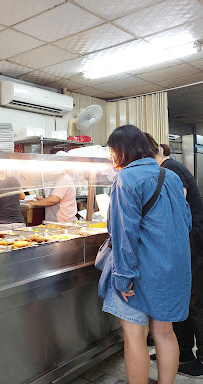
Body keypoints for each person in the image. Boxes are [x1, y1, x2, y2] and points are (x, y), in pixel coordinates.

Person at [100, 124, 191, 384]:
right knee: (165, 333)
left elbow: (123, 233)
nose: (111, 158)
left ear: (121, 151)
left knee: (134, 336)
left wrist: (122, 276)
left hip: (140, 271)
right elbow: (185, 222)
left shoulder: (125, 179)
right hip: (174, 268)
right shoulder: (170, 176)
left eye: (112, 152)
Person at [145, 133, 203, 376]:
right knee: (183, 301)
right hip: (184, 243)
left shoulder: (170, 170)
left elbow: (176, 211)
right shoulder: (167, 168)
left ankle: (200, 360)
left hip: (192, 243)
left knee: (195, 304)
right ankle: (181, 351)